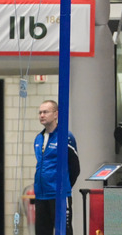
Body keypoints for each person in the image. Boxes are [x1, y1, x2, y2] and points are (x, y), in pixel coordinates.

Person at [33, 100, 79, 235]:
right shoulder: (38, 138)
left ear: (56, 114)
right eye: (40, 112)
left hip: (58, 195)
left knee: (64, 231)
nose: (42, 115)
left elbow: (75, 167)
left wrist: (63, 187)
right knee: (41, 232)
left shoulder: (66, 137)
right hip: (41, 195)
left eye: (45, 112)